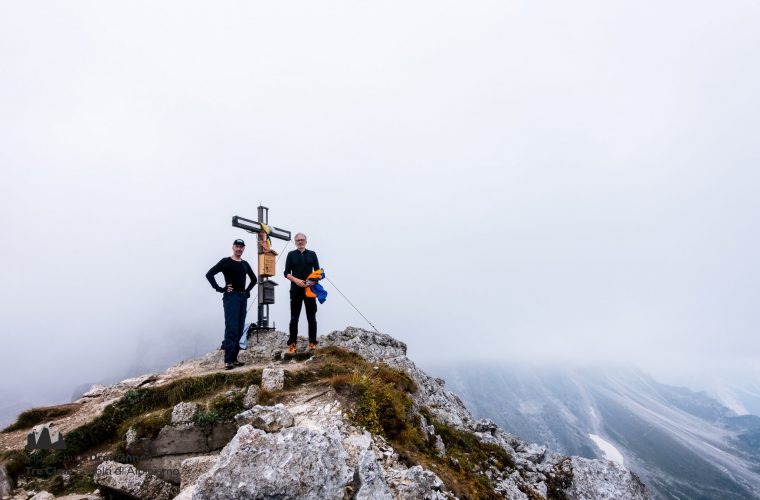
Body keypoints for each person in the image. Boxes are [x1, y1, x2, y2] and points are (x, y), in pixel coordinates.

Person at [206, 239, 256, 370]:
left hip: (242, 297)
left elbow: (254, 279)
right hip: (231, 297)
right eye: (237, 246)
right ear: (233, 247)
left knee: (239, 327)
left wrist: (247, 291)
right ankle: (228, 360)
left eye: (241, 247)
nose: (239, 249)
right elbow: (209, 274)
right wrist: (220, 288)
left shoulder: (245, 264)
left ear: (244, 249)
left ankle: (234, 358)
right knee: (231, 327)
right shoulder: (225, 262)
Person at [284, 233, 320, 353]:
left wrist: (312, 282)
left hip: (309, 290)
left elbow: (318, 273)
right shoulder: (291, 254)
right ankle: (292, 343)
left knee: (311, 317)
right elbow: (286, 273)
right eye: (298, 240)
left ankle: (312, 342)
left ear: (306, 241)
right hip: (295, 290)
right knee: (294, 318)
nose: (300, 242)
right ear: (295, 242)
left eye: (302, 240)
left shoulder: (312, 254)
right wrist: (297, 281)